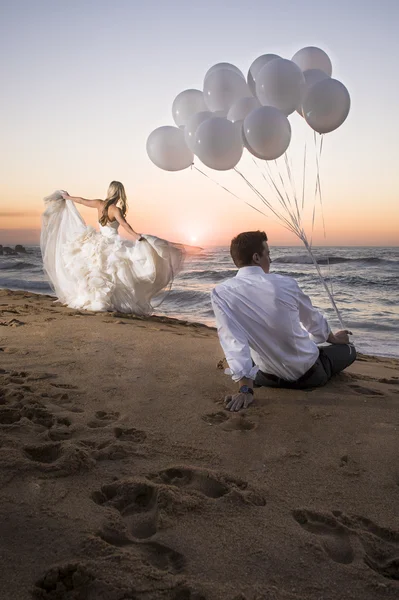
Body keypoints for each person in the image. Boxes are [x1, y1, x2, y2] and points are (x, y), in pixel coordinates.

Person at [211, 231, 356, 412]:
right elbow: (312, 320)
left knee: (255, 351)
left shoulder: (221, 293)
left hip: (267, 378)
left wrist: (245, 389)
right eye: (268, 254)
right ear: (256, 257)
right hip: (310, 376)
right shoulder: (285, 283)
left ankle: (251, 374)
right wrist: (333, 338)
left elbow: (232, 340)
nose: (270, 260)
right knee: (349, 350)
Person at [41, 181, 184, 314]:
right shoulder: (116, 210)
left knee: (101, 272)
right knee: (117, 274)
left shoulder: (99, 204)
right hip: (113, 243)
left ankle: (98, 300)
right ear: (120, 193)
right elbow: (125, 225)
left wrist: (68, 197)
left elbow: (82, 200)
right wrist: (138, 237)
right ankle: (111, 303)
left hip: (99, 241)